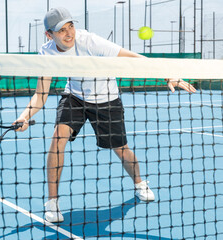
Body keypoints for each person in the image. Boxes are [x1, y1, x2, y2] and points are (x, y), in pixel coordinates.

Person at [14, 7, 196, 223]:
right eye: (61, 30)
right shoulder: (47, 53)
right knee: (57, 139)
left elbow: (132, 58)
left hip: (106, 99)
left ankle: (139, 183)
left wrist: (166, 76)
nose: (69, 33)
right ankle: (52, 203)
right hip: (75, 96)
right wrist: (24, 115)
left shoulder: (90, 41)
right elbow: (40, 94)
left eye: (71, 26)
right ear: (49, 35)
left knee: (121, 149)